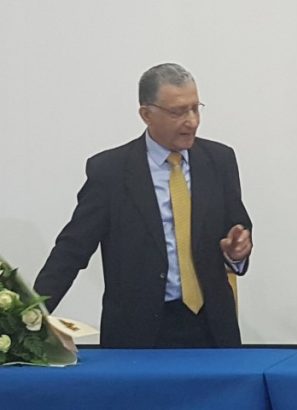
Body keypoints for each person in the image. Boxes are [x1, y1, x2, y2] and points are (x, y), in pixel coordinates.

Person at [34, 63, 252, 348]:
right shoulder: (111, 171)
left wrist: (236, 251)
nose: (192, 121)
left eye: (195, 109)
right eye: (178, 112)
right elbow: (71, 250)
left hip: (212, 329)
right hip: (138, 333)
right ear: (146, 114)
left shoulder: (219, 160)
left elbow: (237, 227)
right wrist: (30, 317)